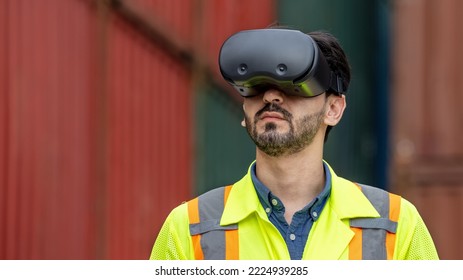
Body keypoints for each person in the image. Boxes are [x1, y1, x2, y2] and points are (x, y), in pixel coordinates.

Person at [149, 28, 439, 260]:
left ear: (333, 109)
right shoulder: (189, 229)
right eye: (257, 86)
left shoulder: (396, 225)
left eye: (293, 86)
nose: (271, 97)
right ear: (244, 110)